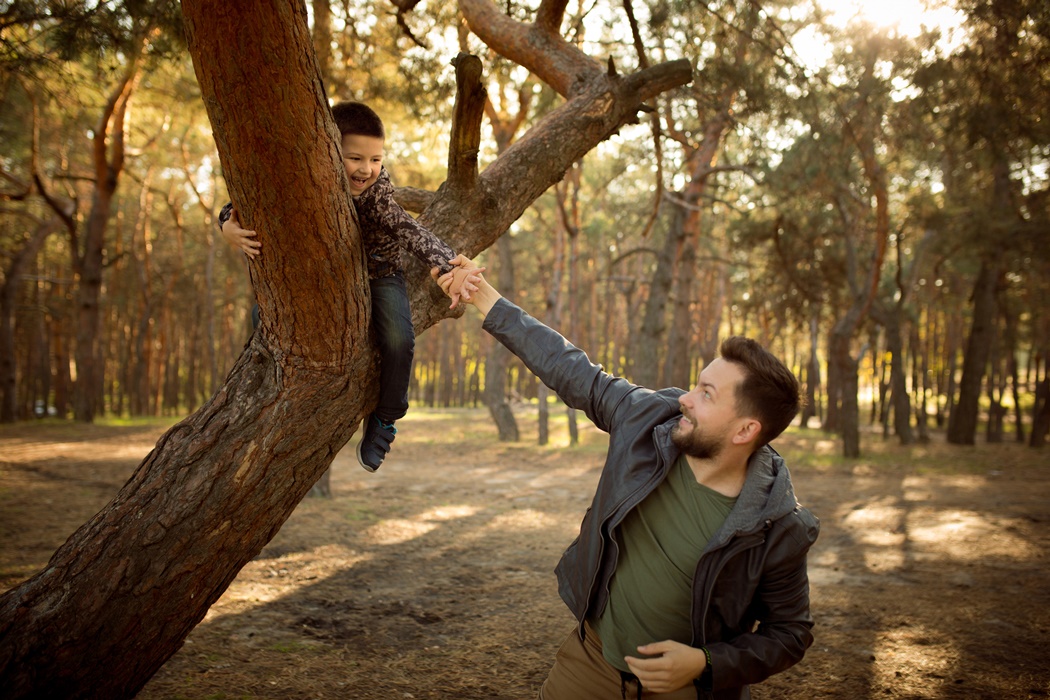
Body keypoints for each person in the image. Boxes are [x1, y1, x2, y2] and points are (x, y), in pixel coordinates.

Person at [434, 267, 819, 700]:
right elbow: (570, 368)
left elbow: (789, 634)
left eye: (706, 395)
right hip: (590, 664)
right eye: (696, 385)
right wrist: (482, 294)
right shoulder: (647, 420)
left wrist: (705, 664)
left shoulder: (778, 525)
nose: (684, 399)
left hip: (686, 690)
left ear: (745, 431)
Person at [220, 101, 479, 473]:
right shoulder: (301, 179)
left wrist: (447, 262)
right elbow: (241, 202)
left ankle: (385, 417)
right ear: (326, 151)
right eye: (355, 158)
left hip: (380, 273)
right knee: (263, 314)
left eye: (376, 160)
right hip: (321, 276)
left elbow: (411, 231)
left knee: (398, 339)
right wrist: (226, 223)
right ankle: (265, 378)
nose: (366, 170)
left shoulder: (376, 193)